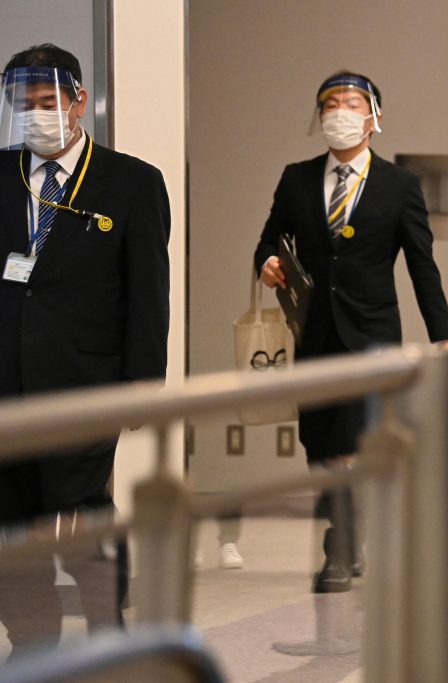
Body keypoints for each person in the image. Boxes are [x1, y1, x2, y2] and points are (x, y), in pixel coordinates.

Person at [254, 70, 448, 594]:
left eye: (350, 103)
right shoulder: (296, 177)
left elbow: (422, 266)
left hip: (371, 333)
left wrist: (444, 335)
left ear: (374, 118)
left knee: (352, 443)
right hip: (313, 333)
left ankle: (340, 551)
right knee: (321, 443)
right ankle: (350, 537)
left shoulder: (399, 186)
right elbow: (269, 242)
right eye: (330, 105)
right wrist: (268, 263)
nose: (339, 113)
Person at [0, 44, 171, 657]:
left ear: (77, 101)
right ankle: (34, 640)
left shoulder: (133, 182)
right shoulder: (3, 175)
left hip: (87, 382)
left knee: (81, 511)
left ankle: (107, 627)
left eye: (48, 102)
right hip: (7, 387)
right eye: (25, 104)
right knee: (13, 520)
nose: (37, 114)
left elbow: (150, 289)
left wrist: (143, 380)